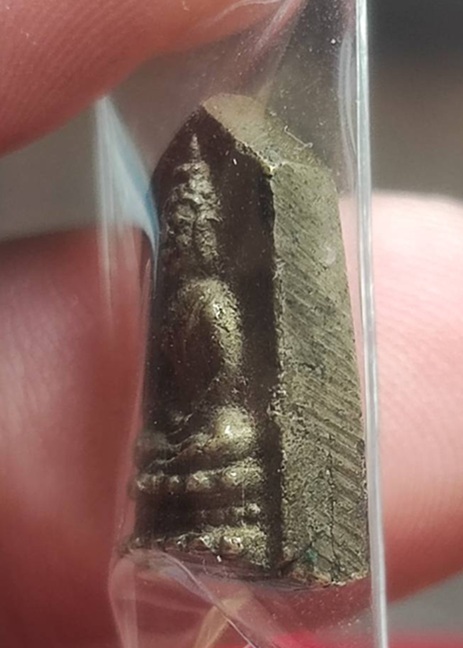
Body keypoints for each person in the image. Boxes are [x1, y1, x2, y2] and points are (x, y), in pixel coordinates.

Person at [1, 1, 463, 646]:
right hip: (188, 450)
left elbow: (225, 383)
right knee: (163, 450)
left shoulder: (215, 300)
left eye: (195, 230)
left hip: (227, 443)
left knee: (226, 437)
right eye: (178, 231)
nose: (184, 243)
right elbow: (170, 394)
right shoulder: (181, 292)